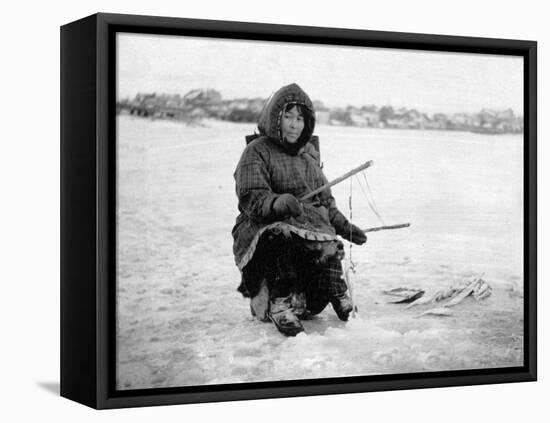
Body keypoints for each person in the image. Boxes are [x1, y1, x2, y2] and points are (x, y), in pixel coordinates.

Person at [232, 83, 367, 336]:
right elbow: (251, 197)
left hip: (307, 225)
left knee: (328, 242)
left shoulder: (309, 156)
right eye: (288, 117)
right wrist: (277, 203)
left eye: (300, 118)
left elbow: (325, 201)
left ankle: (337, 293)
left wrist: (342, 225)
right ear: (275, 118)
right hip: (264, 228)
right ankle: (279, 304)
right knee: (281, 236)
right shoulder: (257, 151)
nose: (295, 125)